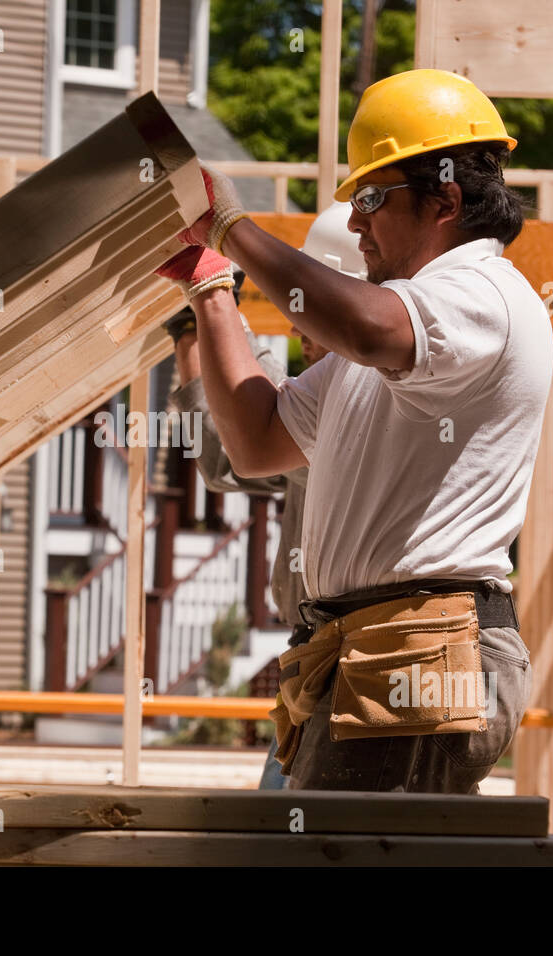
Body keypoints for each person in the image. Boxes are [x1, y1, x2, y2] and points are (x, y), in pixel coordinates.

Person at [153, 69, 553, 793]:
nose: (358, 220)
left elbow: (363, 328)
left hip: (424, 649)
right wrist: (210, 287)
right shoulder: (398, 331)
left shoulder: (481, 295)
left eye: (371, 198)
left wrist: (231, 229)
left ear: (447, 199)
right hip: (372, 646)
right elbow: (256, 441)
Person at [162, 203, 367, 790]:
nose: (298, 327)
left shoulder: (364, 401)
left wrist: (209, 303)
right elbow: (241, 440)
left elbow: (247, 433)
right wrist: (203, 323)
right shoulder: (333, 393)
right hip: (322, 660)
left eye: (311, 309)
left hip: (350, 662)